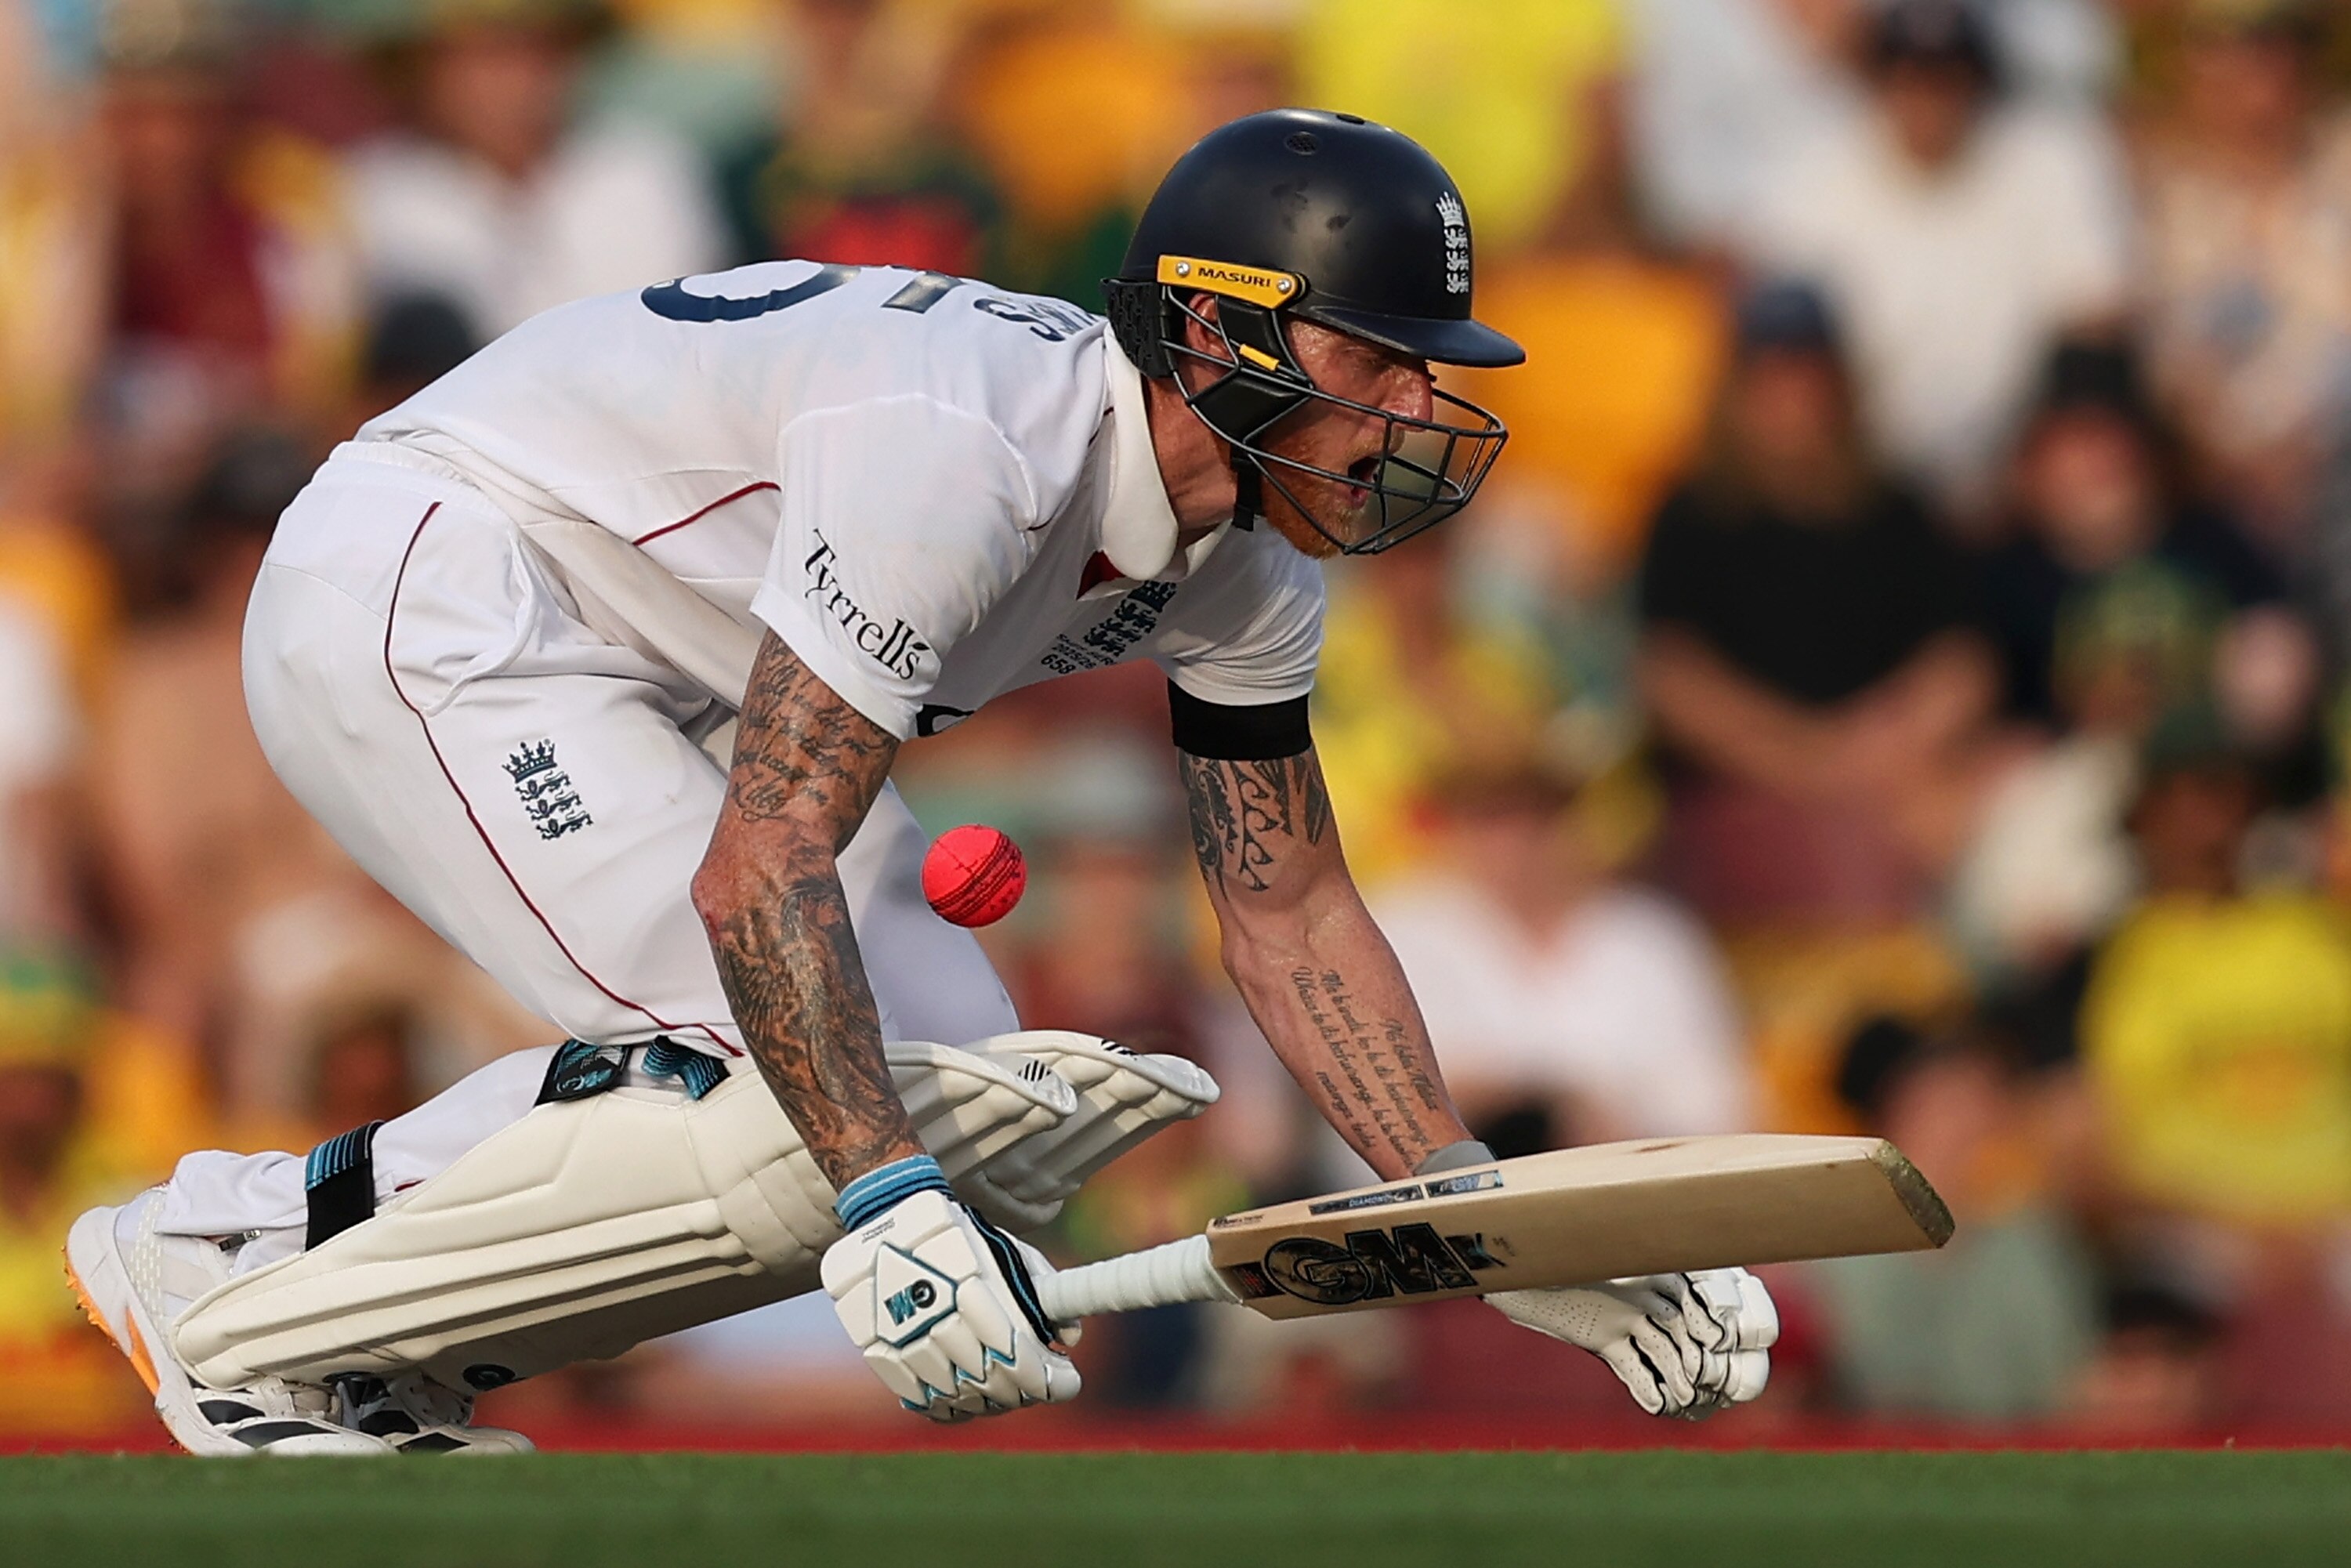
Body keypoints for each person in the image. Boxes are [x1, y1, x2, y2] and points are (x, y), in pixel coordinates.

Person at [64, 110, 1777, 1455]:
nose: (1416, 407)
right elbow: (761, 870)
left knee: (976, 1102)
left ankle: (362, 1333)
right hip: (443, 583)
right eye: (1376, 356)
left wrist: (1482, 1220)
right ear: (1212, 328)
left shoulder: (1250, 572)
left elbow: (1293, 913)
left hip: (659, 653)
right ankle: (230, 1259)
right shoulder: (969, 452)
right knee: (803, 1086)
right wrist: (886, 1204)